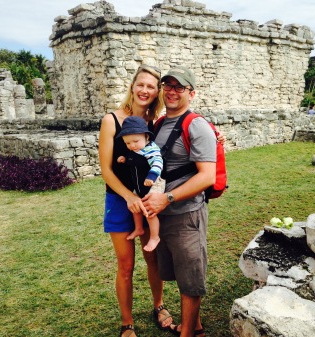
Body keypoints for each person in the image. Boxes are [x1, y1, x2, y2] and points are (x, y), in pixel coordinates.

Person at [99, 64, 173, 337]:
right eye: (140, 84)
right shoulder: (112, 120)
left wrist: (217, 137)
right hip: (120, 200)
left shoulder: (157, 124)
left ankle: (159, 305)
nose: (144, 90)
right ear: (132, 86)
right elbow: (106, 169)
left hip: (149, 198)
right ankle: (127, 323)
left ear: (157, 93)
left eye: (151, 87)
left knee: (152, 257)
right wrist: (129, 196)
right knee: (126, 265)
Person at [142, 66, 216, 337]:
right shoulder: (160, 123)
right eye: (168, 86)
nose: (172, 91)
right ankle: (193, 328)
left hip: (187, 214)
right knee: (177, 273)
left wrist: (167, 198)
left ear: (191, 93)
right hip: (162, 215)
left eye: (179, 87)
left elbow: (207, 176)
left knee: (190, 279)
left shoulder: (197, 125)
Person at [116, 116, 165, 252]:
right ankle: (139, 228)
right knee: (135, 206)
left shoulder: (151, 149)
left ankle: (155, 237)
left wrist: (152, 176)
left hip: (154, 183)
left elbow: (157, 162)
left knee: (149, 210)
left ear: (146, 137)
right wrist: (124, 159)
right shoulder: (134, 150)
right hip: (139, 185)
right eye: (128, 143)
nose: (132, 145)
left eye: (135, 141)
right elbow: (134, 160)